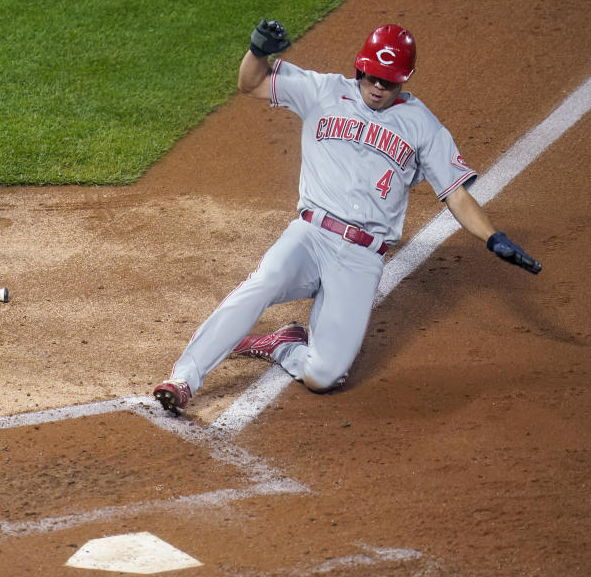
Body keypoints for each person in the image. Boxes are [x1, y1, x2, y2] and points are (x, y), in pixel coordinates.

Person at [153, 21, 542, 413]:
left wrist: (493, 237)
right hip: (310, 235)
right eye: (372, 78)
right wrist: (257, 51)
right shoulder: (323, 91)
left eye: (388, 83)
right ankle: (184, 378)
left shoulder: (422, 125)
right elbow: (250, 84)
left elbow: (455, 194)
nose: (378, 88)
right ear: (361, 69)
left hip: (361, 259)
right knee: (264, 281)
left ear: (403, 81)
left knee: (325, 376)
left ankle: (284, 345)